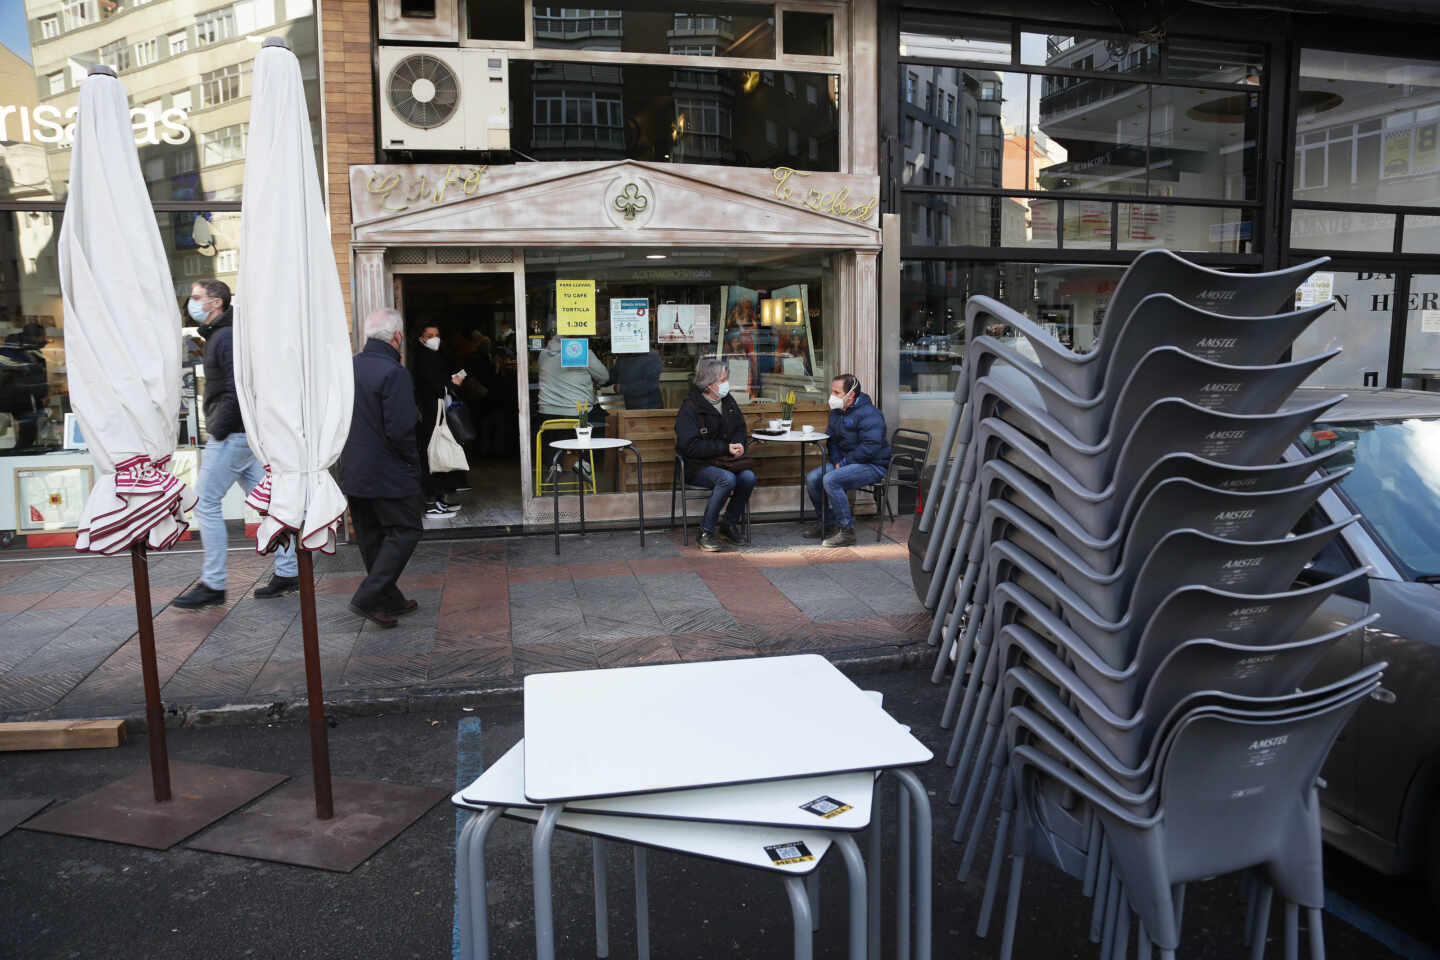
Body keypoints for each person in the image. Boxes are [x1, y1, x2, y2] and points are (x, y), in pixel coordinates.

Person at [174, 280, 298, 609]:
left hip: (231, 436)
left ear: (216, 302)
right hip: (242, 435)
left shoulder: (224, 337)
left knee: (204, 503)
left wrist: (218, 428)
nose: (192, 302)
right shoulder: (224, 335)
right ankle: (288, 573)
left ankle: (213, 583)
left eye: (198, 297)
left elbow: (235, 389)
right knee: (271, 504)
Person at [338, 308, 424, 629]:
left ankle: (389, 599)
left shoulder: (349, 367)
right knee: (406, 530)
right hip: (388, 470)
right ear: (398, 337)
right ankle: (368, 596)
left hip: (353, 469)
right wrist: (413, 466)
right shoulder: (394, 372)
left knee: (372, 536)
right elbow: (401, 429)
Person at [674, 357, 756, 552]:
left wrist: (738, 444)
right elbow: (689, 447)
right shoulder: (690, 407)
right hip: (696, 466)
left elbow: (739, 427)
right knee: (726, 480)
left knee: (748, 477)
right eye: (722, 380)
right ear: (709, 384)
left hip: (726, 462)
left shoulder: (727, 401)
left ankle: (729, 524)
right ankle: (706, 531)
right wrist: (725, 448)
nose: (726, 384)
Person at [804, 373, 891, 548]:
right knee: (813, 478)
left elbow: (871, 446)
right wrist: (837, 461)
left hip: (872, 465)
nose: (832, 397)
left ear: (850, 395)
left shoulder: (870, 414)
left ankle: (846, 532)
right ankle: (826, 523)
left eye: (836, 392)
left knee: (831, 479)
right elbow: (832, 440)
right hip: (846, 462)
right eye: (832, 391)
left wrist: (842, 464)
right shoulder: (837, 412)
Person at [411, 323, 466, 519]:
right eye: (430, 335)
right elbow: (434, 384)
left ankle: (439, 499)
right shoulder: (423, 357)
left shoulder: (433, 356)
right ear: (421, 339)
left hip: (436, 413)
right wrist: (452, 384)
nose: (435, 338)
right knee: (432, 454)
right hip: (430, 414)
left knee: (439, 453)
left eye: (437, 334)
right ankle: (432, 501)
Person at [537, 325, 609, 433]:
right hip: (578, 414)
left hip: (547, 414)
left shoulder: (543, 354)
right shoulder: (583, 353)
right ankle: (590, 450)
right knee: (608, 423)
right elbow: (604, 377)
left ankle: (561, 450)